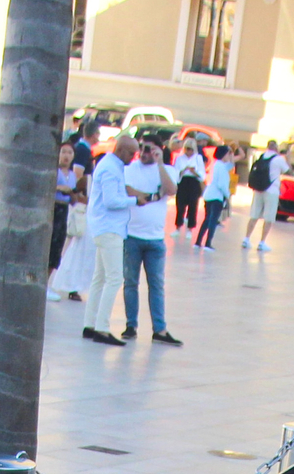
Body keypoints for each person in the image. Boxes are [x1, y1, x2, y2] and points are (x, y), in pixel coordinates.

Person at [119, 139, 181, 345]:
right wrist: (147, 195)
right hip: (132, 235)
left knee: (156, 285)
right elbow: (126, 189)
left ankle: (160, 329)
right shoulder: (130, 169)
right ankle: (131, 325)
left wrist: (160, 163)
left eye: (148, 149)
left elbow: (171, 190)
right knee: (130, 283)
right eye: (141, 148)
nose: (143, 153)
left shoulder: (167, 170)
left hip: (155, 238)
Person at [83, 130, 133, 344]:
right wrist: (134, 201)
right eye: (131, 154)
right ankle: (102, 327)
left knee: (100, 278)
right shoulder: (111, 168)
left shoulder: (111, 165)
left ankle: (90, 324)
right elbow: (111, 201)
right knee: (114, 278)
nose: (133, 159)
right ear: (121, 150)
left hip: (104, 227)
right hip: (109, 228)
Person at [49, 134, 93, 301]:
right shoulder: (55, 172)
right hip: (55, 208)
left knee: (58, 248)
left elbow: (73, 195)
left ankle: (49, 280)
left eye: (69, 153)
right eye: (63, 152)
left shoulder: (73, 176)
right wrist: (60, 188)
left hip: (65, 210)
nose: (66, 156)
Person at [242, 142, 288, 249]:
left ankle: (246, 239)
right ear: (276, 148)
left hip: (258, 189)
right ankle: (262, 242)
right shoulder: (279, 159)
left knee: (254, 215)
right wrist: (287, 157)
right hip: (271, 190)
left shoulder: (261, 156)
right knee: (269, 217)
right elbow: (288, 171)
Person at [195, 145, 232, 248]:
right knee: (213, 220)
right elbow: (222, 184)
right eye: (228, 154)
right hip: (217, 197)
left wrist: (232, 155)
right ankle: (208, 243)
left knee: (207, 219)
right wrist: (228, 195)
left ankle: (198, 242)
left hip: (209, 195)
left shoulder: (217, 165)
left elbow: (231, 165)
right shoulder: (222, 168)